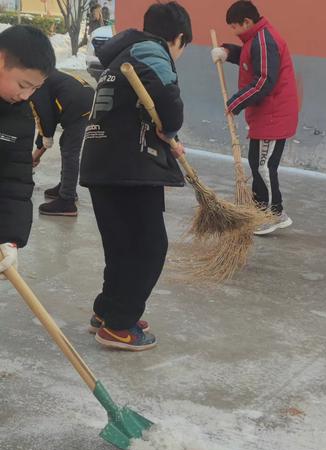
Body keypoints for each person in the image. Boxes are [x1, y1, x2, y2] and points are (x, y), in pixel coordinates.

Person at [79, 1, 192, 351]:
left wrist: (167, 135)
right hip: (131, 166)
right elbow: (169, 106)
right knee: (148, 247)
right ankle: (118, 326)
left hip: (103, 162)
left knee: (122, 246)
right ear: (178, 39)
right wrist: (171, 127)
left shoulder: (120, 55)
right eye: (182, 47)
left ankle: (110, 310)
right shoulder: (153, 52)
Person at [211, 0, 299, 235]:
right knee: (257, 163)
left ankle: (273, 214)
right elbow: (250, 58)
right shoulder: (256, 39)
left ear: (247, 22)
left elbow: (263, 81)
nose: (233, 31)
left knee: (263, 166)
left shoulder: (264, 40)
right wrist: (228, 51)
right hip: (266, 114)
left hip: (273, 115)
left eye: (234, 27)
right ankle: (261, 209)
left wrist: (235, 103)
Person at [0, 25, 55, 276]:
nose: (26, 95)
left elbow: (15, 179)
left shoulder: (19, 117)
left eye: (34, 88)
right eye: (23, 84)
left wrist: (10, 238)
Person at [30, 69, 94, 216]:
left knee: (69, 151)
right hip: (84, 98)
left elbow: (45, 118)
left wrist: (37, 154)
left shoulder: (35, 84)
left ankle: (67, 201)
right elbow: (46, 121)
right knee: (66, 144)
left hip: (78, 104)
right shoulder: (43, 74)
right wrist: (39, 149)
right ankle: (66, 187)